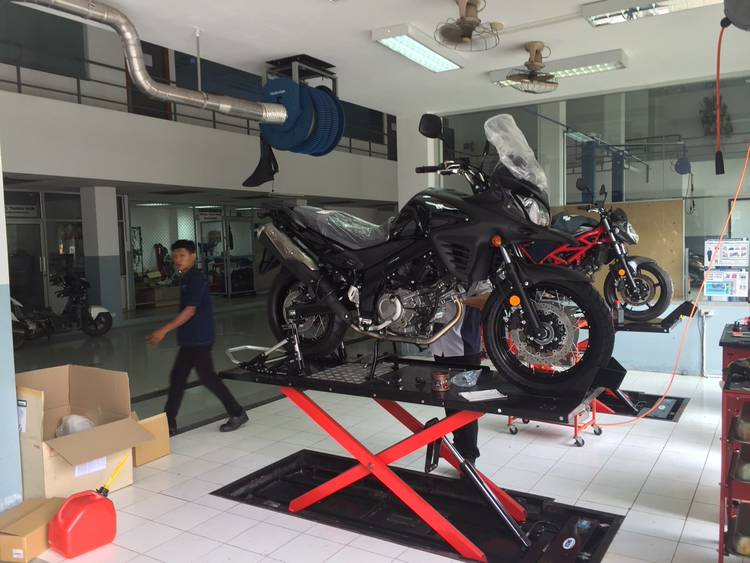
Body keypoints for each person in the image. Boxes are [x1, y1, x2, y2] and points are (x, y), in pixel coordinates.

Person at [148, 240, 248, 436]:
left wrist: (164, 330)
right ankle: (169, 422)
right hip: (190, 339)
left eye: (182, 255)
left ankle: (237, 412)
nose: (178, 260)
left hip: (199, 338)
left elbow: (190, 311)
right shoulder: (186, 277)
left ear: (193, 256)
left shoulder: (195, 278)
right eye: (175, 256)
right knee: (178, 378)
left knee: (207, 377)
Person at [430, 291, 488, 466]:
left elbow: (488, 299)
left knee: (465, 405)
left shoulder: (474, 278)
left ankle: (470, 456)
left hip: (464, 348)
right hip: (439, 347)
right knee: (449, 402)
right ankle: (459, 444)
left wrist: (461, 299)